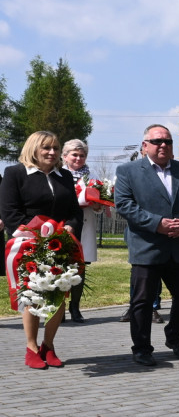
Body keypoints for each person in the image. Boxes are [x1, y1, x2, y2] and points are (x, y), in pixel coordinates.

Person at [114, 125, 179, 366]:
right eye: (156, 141)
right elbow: (124, 205)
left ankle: (175, 338)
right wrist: (157, 224)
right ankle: (142, 347)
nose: (163, 145)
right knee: (142, 301)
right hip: (148, 247)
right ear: (145, 145)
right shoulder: (128, 171)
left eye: (167, 141)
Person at [0, 131, 83, 368]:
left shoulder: (65, 176)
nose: (52, 152)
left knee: (58, 294)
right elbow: (9, 212)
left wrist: (69, 226)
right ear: (33, 149)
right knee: (33, 296)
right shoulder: (15, 173)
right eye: (46, 148)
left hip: (60, 245)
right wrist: (35, 234)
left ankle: (49, 345)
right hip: (29, 245)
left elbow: (75, 211)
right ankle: (31, 347)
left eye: (56, 148)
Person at [62, 138, 101, 322]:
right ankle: (58, 308)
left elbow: (100, 202)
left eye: (82, 155)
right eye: (74, 155)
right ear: (64, 156)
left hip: (85, 224)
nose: (78, 158)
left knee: (80, 267)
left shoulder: (91, 177)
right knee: (59, 265)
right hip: (64, 225)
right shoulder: (57, 175)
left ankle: (75, 308)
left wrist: (96, 204)